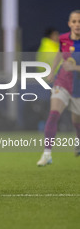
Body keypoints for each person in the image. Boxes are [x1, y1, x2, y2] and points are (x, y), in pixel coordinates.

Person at [37, 10, 80, 166]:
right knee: (54, 113)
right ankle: (47, 153)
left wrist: (74, 68)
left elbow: (71, 65)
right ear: (69, 23)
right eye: (74, 21)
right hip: (62, 83)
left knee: (77, 120)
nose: (77, 24)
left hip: (78, 87)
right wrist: (53, 71)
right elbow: (59, 54)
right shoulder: (63, 39)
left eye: (79, 22)